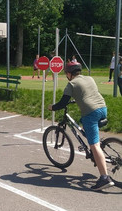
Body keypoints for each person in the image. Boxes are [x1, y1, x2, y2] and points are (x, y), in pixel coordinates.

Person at [48, 61, 115, 190]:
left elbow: (62, 103)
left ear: (69, 73)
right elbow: (88, 93)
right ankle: (97, 152)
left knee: (94, 144)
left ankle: (104, 178)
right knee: (84, 122)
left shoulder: (71, 84)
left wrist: (52, 107)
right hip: (102, 108)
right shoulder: (89, 78)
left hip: (91, 113)